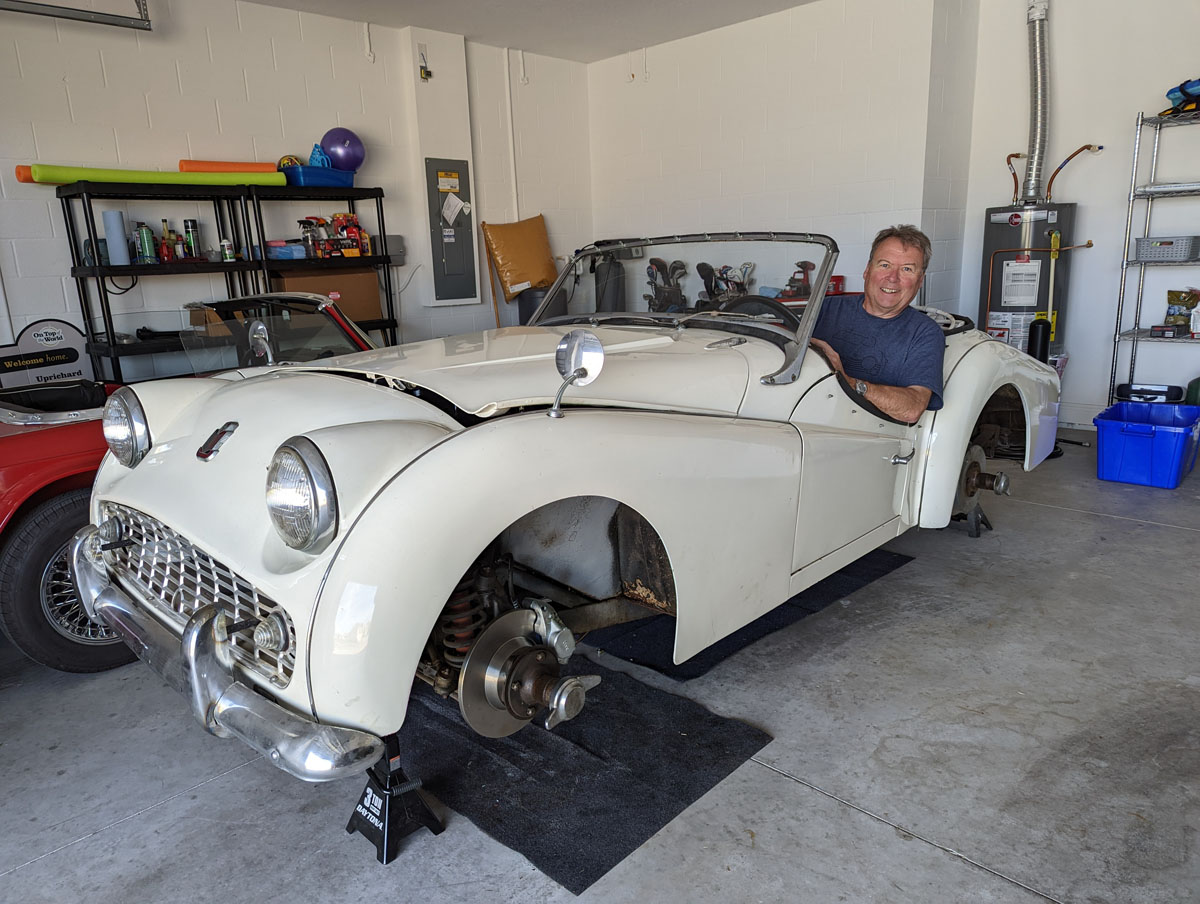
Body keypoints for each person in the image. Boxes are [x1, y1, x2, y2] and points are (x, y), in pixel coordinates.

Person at [809, 225, 944, 424]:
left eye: (907, 269)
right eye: (884, 265)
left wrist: (847, 381)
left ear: (920, 280)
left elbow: (912, 409)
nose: (893, 278)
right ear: (867, 270)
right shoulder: (824, 309)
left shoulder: (925, 333)